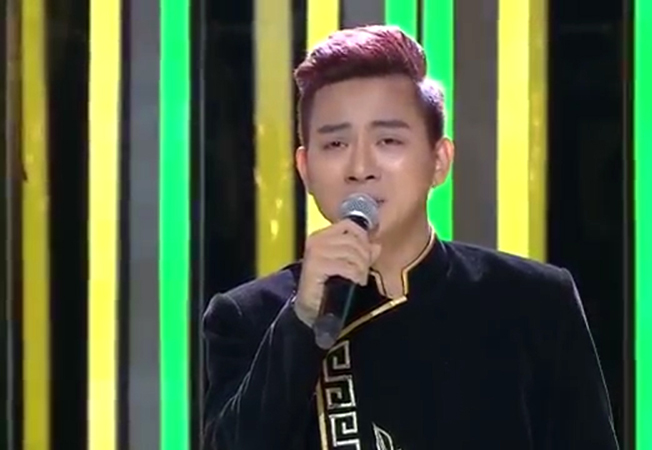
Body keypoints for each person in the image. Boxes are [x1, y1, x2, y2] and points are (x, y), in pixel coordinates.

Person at [201, 25, 619, 450]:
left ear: (439, 161)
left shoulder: (535, 304)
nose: (360, 167)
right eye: (336, 144)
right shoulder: (248, 317)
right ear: (305, 169)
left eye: (388, 140)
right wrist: (303, 320)